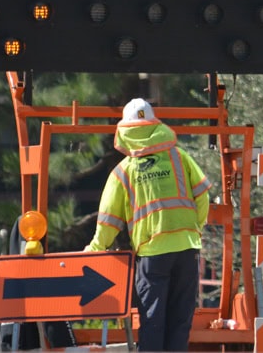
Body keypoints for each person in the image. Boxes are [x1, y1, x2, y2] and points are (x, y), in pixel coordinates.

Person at [84, 98, 211, 351]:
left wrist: (95, 249)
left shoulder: (123, 171)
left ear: (126, 131)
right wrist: (196, 228)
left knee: (153, 321)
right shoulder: (179, 157)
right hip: (186, 248)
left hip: (153, 254)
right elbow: (202, 195)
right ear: (154, 125)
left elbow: (109, 219)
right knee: (180, 320)